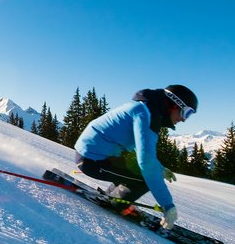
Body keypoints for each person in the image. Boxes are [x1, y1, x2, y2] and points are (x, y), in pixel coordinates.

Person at [74, 85, 198, 230]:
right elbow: (146, 162)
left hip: (94, 153)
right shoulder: (147, 113)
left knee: (139, 171)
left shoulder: (145, 108)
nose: (184, 120)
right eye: (186, 113)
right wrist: (167, 205)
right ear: (174, 105)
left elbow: (143, 154)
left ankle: (112, 197)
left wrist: (160, 168)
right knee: (144, 179)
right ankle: (115, 203)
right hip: (91, 160)